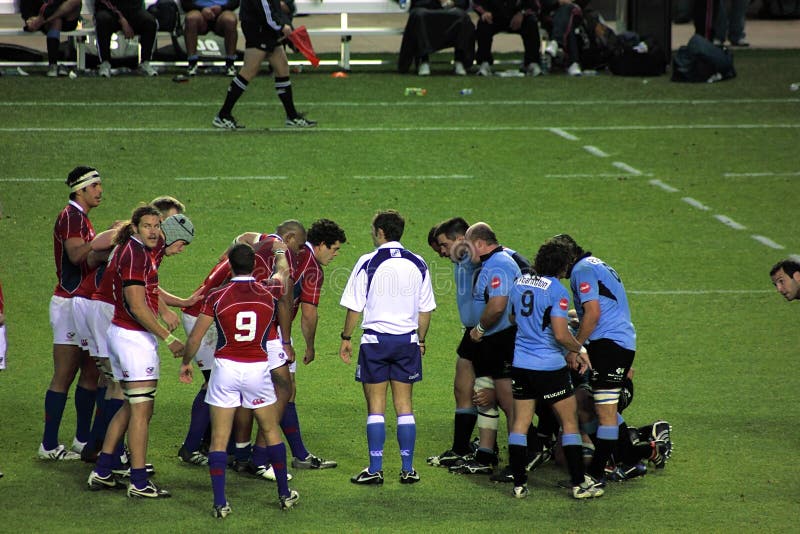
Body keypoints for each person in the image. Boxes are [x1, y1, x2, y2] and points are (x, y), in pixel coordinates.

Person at [181, 243, 299, 515]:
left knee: (220, 439)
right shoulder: (269, 291)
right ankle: (284, 493)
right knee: (271, 431)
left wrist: (186, 362)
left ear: (230, 266)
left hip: (225, 369)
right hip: (257, 368)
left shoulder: (216, 296)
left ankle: (221, 502)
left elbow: (196, 337)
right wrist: (280, 255)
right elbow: (283, 274)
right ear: (255, 265)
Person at [87, 206, 194, 498]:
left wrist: (179, 304)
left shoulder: (137, 251)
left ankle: (104, 470)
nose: (153, 231)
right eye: (147, 225)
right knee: (142, 411)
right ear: (134, 227)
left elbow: (149, 293)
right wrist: (169, 338)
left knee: (129, 405)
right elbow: (136, 305)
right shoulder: (134, 255)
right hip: (133, 339)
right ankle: (138, 481)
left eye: (156, 225)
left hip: (123, 336)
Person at [339, 210, 436, 485]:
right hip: (406, 342)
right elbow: (425, 309)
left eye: (373, 230)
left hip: (375, 343)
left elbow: (354, 306)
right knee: (405, 405)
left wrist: (346, 337)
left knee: (376, 407)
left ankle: (375, 469)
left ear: (381, 232)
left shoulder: (368, 261)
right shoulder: (418, 263)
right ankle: (407, 469)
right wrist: (421, 340)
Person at [506, 240, 604, 499]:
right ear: (562, 266)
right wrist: (580, 349)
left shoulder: (519, 283)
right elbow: (561, 335)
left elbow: (512, 318)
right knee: (570, 422)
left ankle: (518, 483)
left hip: (521, 365)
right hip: (549, 367)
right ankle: (579, 484)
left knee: (520, 423)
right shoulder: (557, 292)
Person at [40, 166, 115, 461]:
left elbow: (89, 258)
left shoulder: (81, 218)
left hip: (80, 302)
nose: (99, 190)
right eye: (94, 185)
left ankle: (83, 440)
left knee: (91, 371)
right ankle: (48, 445)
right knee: (65, 373)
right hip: (68, 303)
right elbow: (75, 255)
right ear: (79, 190)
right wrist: (104, 240)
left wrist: (106, 247)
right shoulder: (71, 216)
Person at [551, 234, 636, 486]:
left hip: (610, 344)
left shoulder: (582, 270)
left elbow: (594, 313)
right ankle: (632, 460)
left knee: (605, 411)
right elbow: (602, 307)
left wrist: (575, 346)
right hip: (612, 341)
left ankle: (596, 475)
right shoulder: (594, 264)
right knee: (597, 407)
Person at [450, 222, 520, 475]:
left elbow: (498, 304)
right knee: (487, 395)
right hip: (493, 339)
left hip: (501, 338)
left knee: (509, 403)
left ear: (479, 243)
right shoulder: (491, 263)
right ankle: (486, 455)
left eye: (469, 245)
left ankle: (517, 463)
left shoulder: (499, 264)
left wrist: (479, 328)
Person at [281, 219, 347, 470]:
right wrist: (310, 346)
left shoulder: (287, 249)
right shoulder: (312, 268)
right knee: (284, 391)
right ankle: (292, 455)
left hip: (246, 322)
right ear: (320, 245)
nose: (335, 255)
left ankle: (233, 450)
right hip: (274, 332)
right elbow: (309, 314)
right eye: (334, 249)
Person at [426, 218, 481, 467]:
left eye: (443, 246)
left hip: (487, 333)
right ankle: (462, 448)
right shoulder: (460, 261)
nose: (441, 253)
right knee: (465, 388)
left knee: (499, 395)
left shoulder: (470, 256)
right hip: (473, 332)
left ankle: (535, 442)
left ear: (461, 240)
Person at [212, 0, 316, 129]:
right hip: (259, 28)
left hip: (265, 27)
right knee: (249, 70)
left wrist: (286, 28)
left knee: (282, 67)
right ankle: (223, 115)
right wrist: (281, 26)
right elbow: (265, 8)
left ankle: (292, 116)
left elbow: (275, 8)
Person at [397, 0, 475, 76]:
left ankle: (459, 60)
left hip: (450, 9)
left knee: (462, 16)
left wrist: (451, 2)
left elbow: (464, 3)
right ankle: (423, 60)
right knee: (419, 15)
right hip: (425, 8)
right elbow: (417, 3)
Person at [472, 0, 543, 77]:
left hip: (517, 16)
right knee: (483, 23)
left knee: (531, 22)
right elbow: (476, 3)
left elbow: (534, 5)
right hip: (494, 16)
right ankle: (484, 62)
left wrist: (523, 13)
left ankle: (531, 62)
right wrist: (484, 12)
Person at [94, 0, 159, 77]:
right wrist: (121, 19)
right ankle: (105, 63)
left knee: (149, 22)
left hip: (132, 11)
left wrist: (127, 19)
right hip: (108, 11)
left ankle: (145, 62)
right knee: (102, 19)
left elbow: (136, 4)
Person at [20, 0, 81, 77]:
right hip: (44, 20)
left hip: (64, 16)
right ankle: (53, 65)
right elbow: (26, 8)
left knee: (74, 1)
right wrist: (30, 20)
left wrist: (42, 19)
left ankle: (45, 20)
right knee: (56, 20)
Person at [181, 0, 241, 76]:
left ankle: (230, 64)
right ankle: (192, 63)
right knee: (191, 18)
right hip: (199, 12)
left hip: (222, 13)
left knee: (230, 20)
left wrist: (221, 8)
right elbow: (185, 4)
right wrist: (202, 9)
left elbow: (235, 2)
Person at [539, 0, 585, 76]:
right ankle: (574, 63)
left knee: (567, 9)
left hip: (573, 10)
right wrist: (558, 2)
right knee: (569, 26)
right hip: (552, 12)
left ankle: (555, 42)